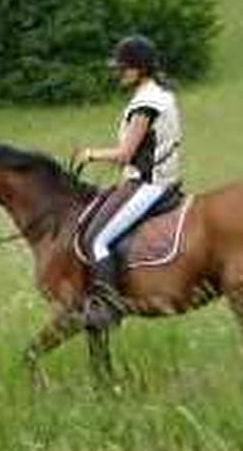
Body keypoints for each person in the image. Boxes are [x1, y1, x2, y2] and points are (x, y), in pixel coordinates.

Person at [73, 35, 183, 329]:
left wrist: (90, 154)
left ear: (139, 69)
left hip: (149, 185)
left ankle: (108, 308)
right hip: (160, 179)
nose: (118, 73)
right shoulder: (161, 93)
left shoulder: (145, 104)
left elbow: (125, 154)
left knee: (96, 239)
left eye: (122, 67)